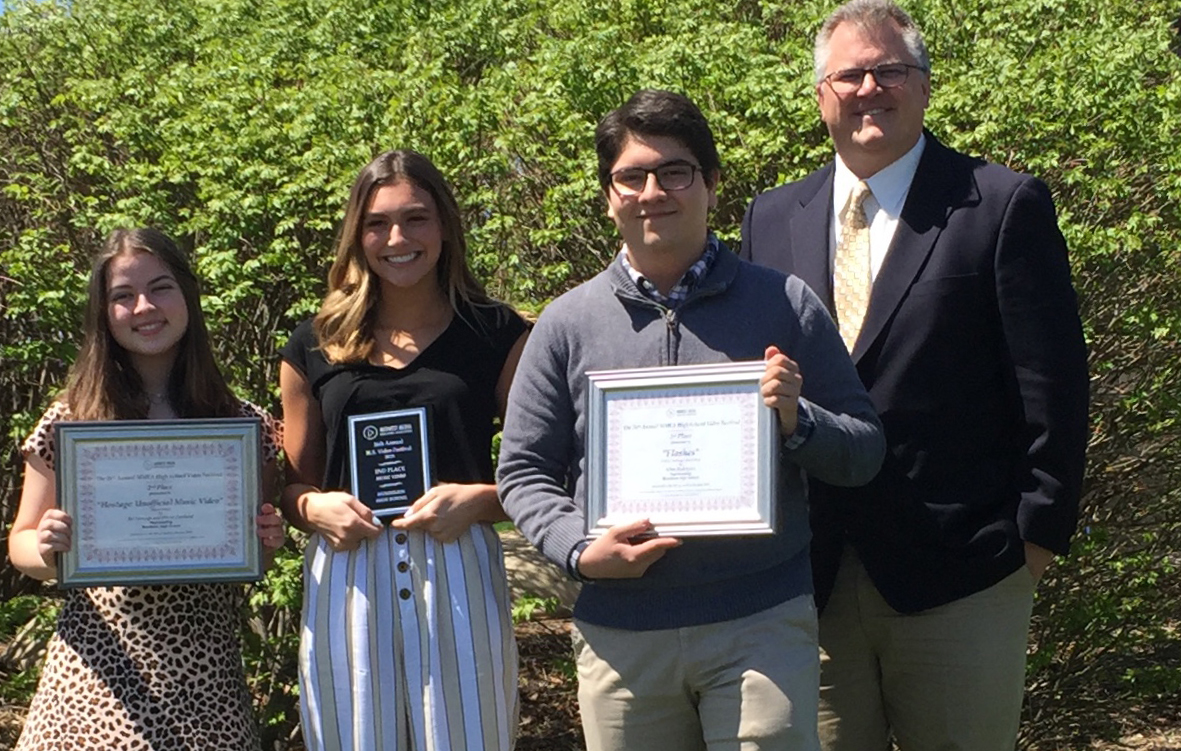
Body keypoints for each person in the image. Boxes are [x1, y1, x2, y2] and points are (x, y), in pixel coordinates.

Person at [739, 1, 1090, 749]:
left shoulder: (997, 205)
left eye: (889, 70)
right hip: (813, 575)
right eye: (850, 74)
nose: (870, 88)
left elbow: (1051, 386)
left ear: (924, 87)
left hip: (964, 574)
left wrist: (1034, 540)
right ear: (820, 96)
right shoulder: (769, 218)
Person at [497, 89, 886, 751]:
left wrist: (798, 419)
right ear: (608, 195)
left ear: (710, 184)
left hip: (759, 623)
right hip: (620, 635)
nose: (652, 191)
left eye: (674, 172)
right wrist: (580, 551)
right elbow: (524, 472)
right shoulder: (567, 324)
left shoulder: (783, 303)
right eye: (631, 176)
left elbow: (864, 450)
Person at [279, 149, 528, 751]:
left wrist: (481, 500)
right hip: (348, 574)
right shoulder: (314, 343)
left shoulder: (500, 333)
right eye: (377, 223)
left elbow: (543, 475)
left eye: (416, 218)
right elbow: (288, 485)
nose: (397, 238)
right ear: (356, 235)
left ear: (444, 224)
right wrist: (314, 510)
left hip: (457, 568)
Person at [7, 228, 284, 751]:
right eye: (122, 296)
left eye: (160, 288)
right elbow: (20, 542)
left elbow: (256, 558)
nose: (143, 307)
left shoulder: (242, 426)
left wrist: (268, 541)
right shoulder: (72, 420)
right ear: (103, 312)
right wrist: (46, 550)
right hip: (95, 678)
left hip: (207, 684)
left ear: (187, 296)